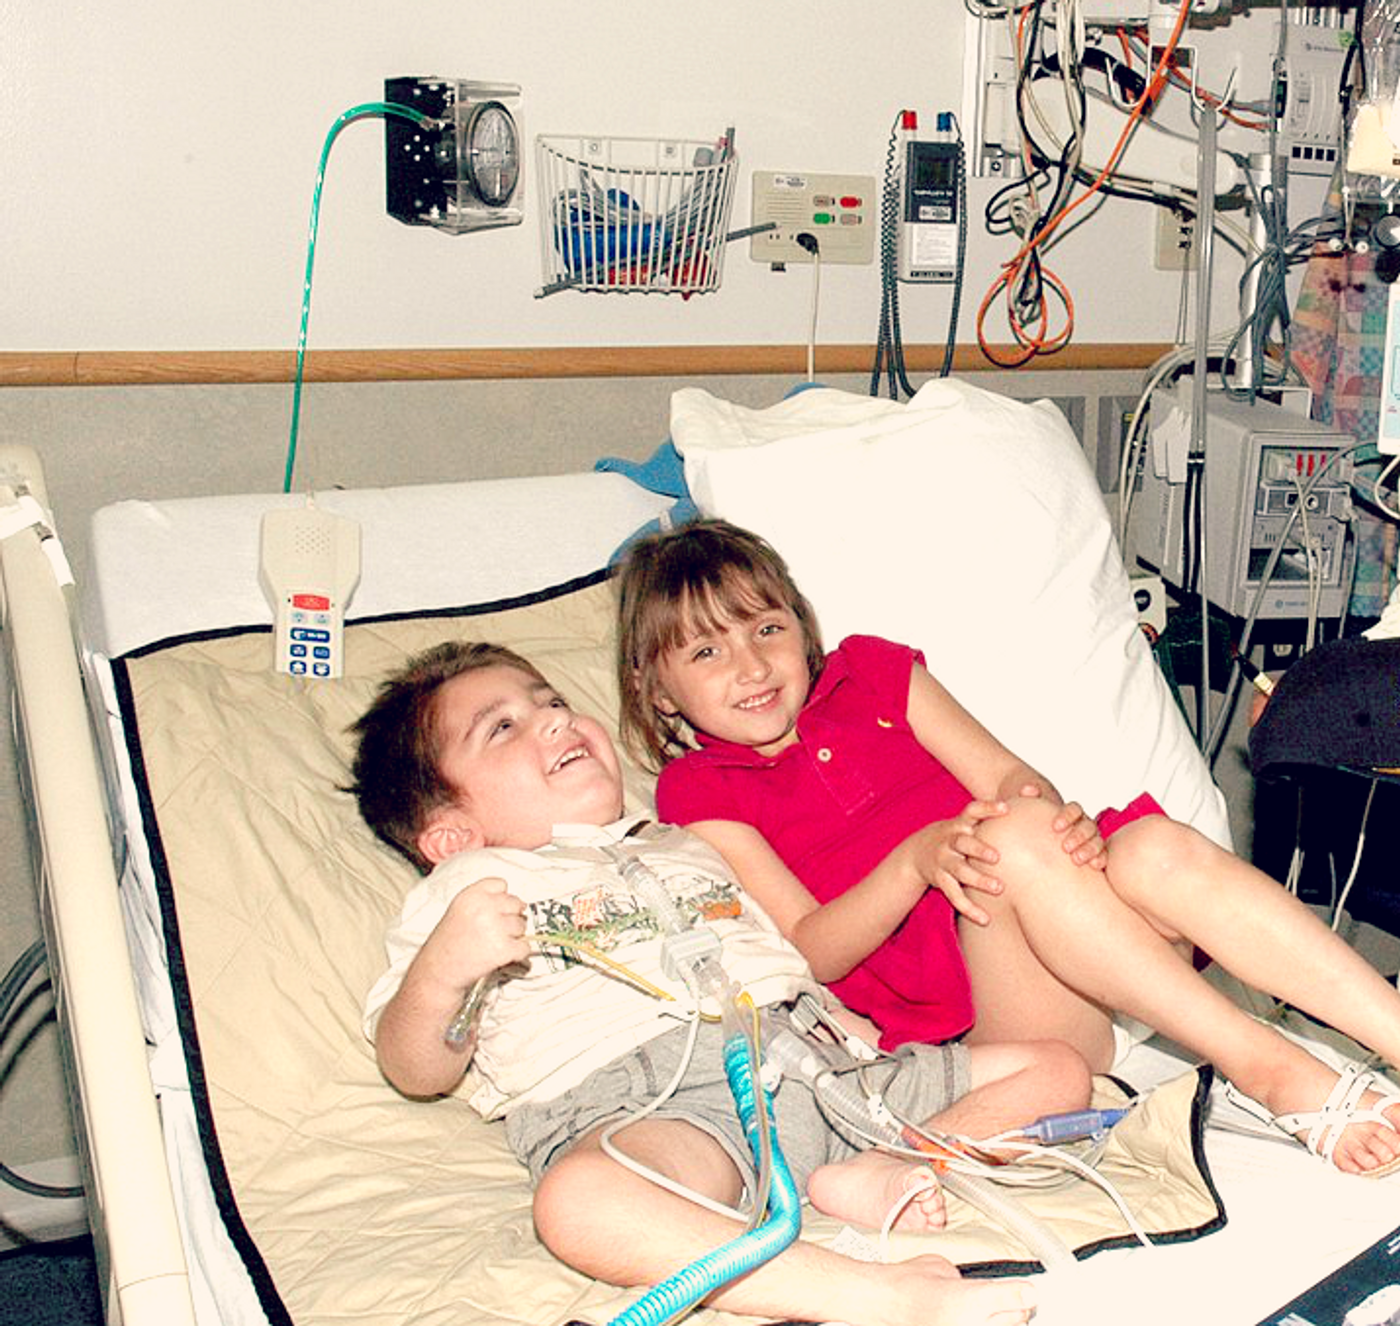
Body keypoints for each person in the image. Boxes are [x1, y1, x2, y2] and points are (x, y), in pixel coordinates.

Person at [616, 517, 1400, 1179]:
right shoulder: (699, 789)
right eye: (707, 652)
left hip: (1091, 941)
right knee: (1008, 839)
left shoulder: (875, 677)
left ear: (802, 625)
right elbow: (811, 950)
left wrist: (1059, 824)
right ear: (657, 688)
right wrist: (914, 862)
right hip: (1000, 1024)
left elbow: (1009, 776)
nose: (752, 665)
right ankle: (1265, 1064)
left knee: (1150, 846)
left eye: (767, 629)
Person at [350, 639, 1092, 1326]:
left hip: (819, 1065)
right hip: (664, 1107)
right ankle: (873, 1293)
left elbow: (791, 948)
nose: (552, 721)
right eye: (502, 728)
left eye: (550, 702)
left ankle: (886, 1169)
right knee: (579, 1204)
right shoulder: (469, 889)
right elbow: (414, 1067)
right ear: (451, 835)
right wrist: (447, 967)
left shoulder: (688, 843)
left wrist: (849, 1033)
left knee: (1054, 1069)